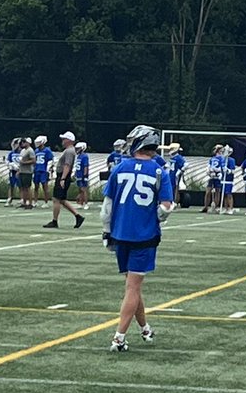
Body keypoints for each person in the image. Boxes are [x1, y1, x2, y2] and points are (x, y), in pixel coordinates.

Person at [102, 124, 174, 353]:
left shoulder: (120, 168)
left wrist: (106, 231)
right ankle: (119, 338)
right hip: (144, 235)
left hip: (120, 233)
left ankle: (145, 328)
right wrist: (159, 215)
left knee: (132, 285)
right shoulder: (159, 171)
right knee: (133, 286)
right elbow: (165, 208)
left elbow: (107, 207)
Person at [43, 133, 85, 230]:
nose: (62, 141)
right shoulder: (69, 150)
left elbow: (67, 165)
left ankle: (55, 221)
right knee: (61, 199)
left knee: (56, 199)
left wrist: (62, 178)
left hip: (63, 176)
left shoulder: (69, 151)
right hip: (63, 176)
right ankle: (78, 216)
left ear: (69, 140)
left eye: (64, 139)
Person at [202, 145, 224, 213]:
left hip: (217, 176)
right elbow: (209, 166)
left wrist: (218, 172)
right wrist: (208, 171)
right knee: (208, 192)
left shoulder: (222, 159)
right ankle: (206, 206)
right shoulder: (212, 158)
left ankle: (216, 206)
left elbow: (222, 167)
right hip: (212, 176)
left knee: (217, 191)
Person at [33, 135, 53, 206]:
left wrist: (49, 170)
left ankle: (46, 202)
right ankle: (35, 201)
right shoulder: (36, 151)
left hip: (44, 170)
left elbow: (51, 161)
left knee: (45, 186)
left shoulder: (47, 150)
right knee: (36, 186)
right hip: (37, 170)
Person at [17, 138, 35, 209]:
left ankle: (30, 203)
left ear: (28, 143)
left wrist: (24, 163)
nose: (23, 143)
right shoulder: (23, 151)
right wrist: (19, 170)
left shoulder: (30, 150)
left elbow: (33, 160)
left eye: (24, 142)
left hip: (27, 171)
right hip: (22, 170)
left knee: (27, 187)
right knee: (23, 187)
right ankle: (24, 202)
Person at [218, 144, 236, 213]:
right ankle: (225, 208)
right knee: (224, 194)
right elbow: (220, 168)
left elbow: (233, 171)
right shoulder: (222, 160)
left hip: (228, 180)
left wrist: (228, 170)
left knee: (228, 194)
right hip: (223, 179)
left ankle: (230, 208)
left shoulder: (231, 160)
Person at [5, 138, 22, 206]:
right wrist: (10, 164)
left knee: (20, 185)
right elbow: (8, 161)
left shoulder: (22, 152)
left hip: (20, 171)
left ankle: (22, 199)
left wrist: (19, 168)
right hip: (13, 171)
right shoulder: (11, 153)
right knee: (11, 185)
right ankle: (9, 198)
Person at [74, 142, 91, 210]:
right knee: (80, 190)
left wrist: (85, 175)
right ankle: (81, 203)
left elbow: (85, 166)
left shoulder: (84, 156)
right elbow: (78, 166)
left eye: (78, 148)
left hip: (82, 175)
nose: (77, 150)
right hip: (78, 175)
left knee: (83, 190)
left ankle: (86, 204)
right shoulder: (79, 156)